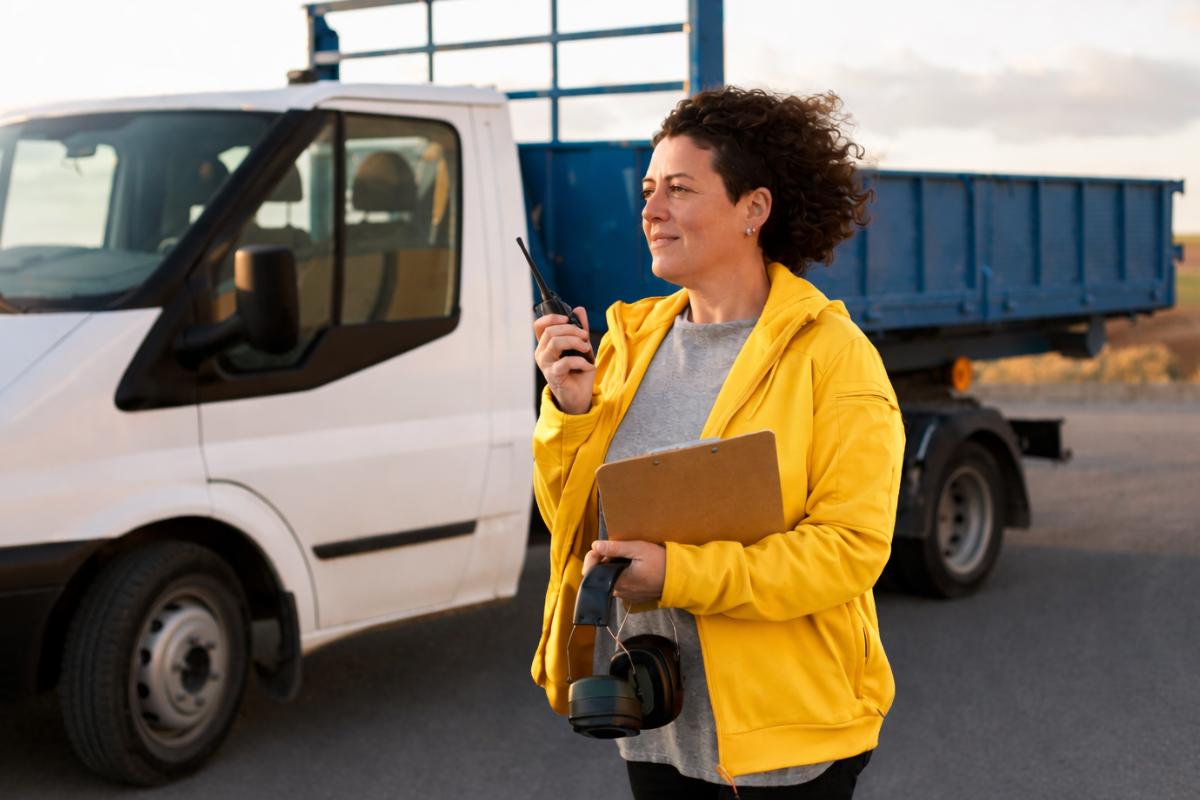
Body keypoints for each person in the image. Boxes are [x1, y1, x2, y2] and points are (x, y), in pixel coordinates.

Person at [530, 86, 905, 800]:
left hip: (783, 738)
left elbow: (850, 551)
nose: (650, 210)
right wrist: (569, 412)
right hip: (655, 718)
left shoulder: (831, 354)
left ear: (753, 210)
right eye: (647, 189)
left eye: (678, 188)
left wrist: (678, 576)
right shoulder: (628, 344)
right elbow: (570, 525)